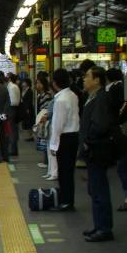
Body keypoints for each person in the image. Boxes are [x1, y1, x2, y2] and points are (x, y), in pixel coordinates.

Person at [79, 66, 114, 241]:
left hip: (97, 151)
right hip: (93, 151)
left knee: (99, 190)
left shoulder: (101, 98)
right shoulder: (92, 97)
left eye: (87, 77)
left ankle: (104, 229)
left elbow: (100, 125)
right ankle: (98, 226)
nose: (84, 79)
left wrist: (87, 142)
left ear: (97, 80)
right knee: (95, 190)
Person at [48, 68, 79, 212]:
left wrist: (53, 145)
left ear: (54, 83)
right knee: (69, 171)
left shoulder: (60, 100)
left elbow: (57, 125)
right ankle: (69, 200)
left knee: (64, 172)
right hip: (73, 136)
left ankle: (65, 202)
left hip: (64, 138)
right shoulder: (72, 95)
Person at [6, 72, 21, 157]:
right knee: (13, 131)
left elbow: (14, 102)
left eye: (7, 77)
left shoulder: (12, 87)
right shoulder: (13, 86)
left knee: (12, 131)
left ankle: (13, 150)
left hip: (12, 110)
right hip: (13, 110)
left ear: (10, 79)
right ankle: (13, 149)